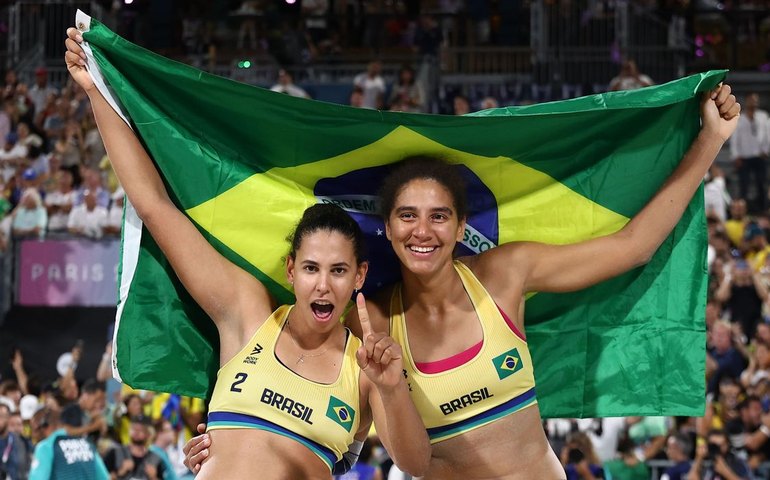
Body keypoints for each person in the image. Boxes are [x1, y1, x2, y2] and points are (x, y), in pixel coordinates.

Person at [186, 82, 740, 477]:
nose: (422, 231)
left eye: (438, 216)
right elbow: (326, 410)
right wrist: (236, 444)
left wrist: (710, 141)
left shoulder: (503, 275)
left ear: (460, 228)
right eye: (407, 215)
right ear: (387, 227)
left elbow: (633, 247)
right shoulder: (370, 317)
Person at [65, 27, 430, 480]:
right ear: (291, 270)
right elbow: (155, 207)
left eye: (339, 271)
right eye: (312, 268)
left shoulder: (366, 368)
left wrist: (392, 389)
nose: (323, 283)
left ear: (359, 277)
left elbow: (415, 464)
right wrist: (96, 88)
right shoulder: (245, 312)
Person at [28, 407, 110, 480]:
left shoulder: (46, 447)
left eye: (34, 430)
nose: (33, 436)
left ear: (45, 427)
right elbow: (104, 477)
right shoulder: (86, 445)